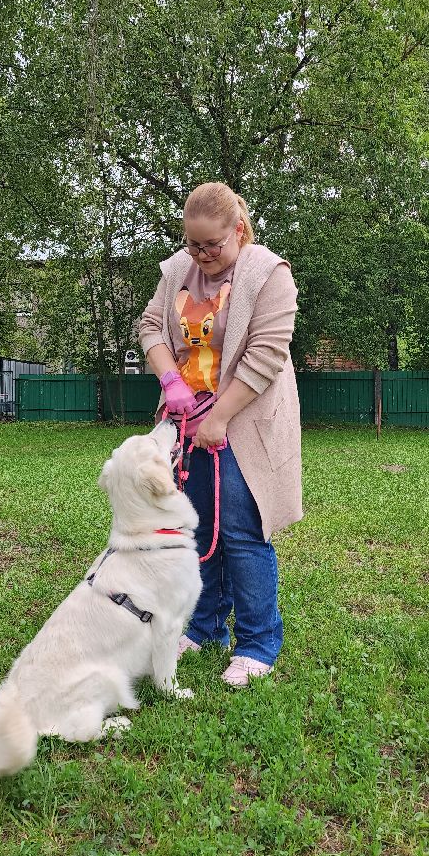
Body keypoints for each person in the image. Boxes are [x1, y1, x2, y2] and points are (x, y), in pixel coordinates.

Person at [138, 182, 302, 687]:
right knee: (196, 528)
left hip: (245, 420)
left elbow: (266, 355)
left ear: (239, 231)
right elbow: (150, 327)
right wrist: (171, 380)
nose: (202, 254)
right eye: (193, 244)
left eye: (212, 244)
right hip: (186, 421)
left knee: (241, 530)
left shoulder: (269, 274)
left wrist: (219, 418)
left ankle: (257, 642)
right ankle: (205, 627)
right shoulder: (177, 271)